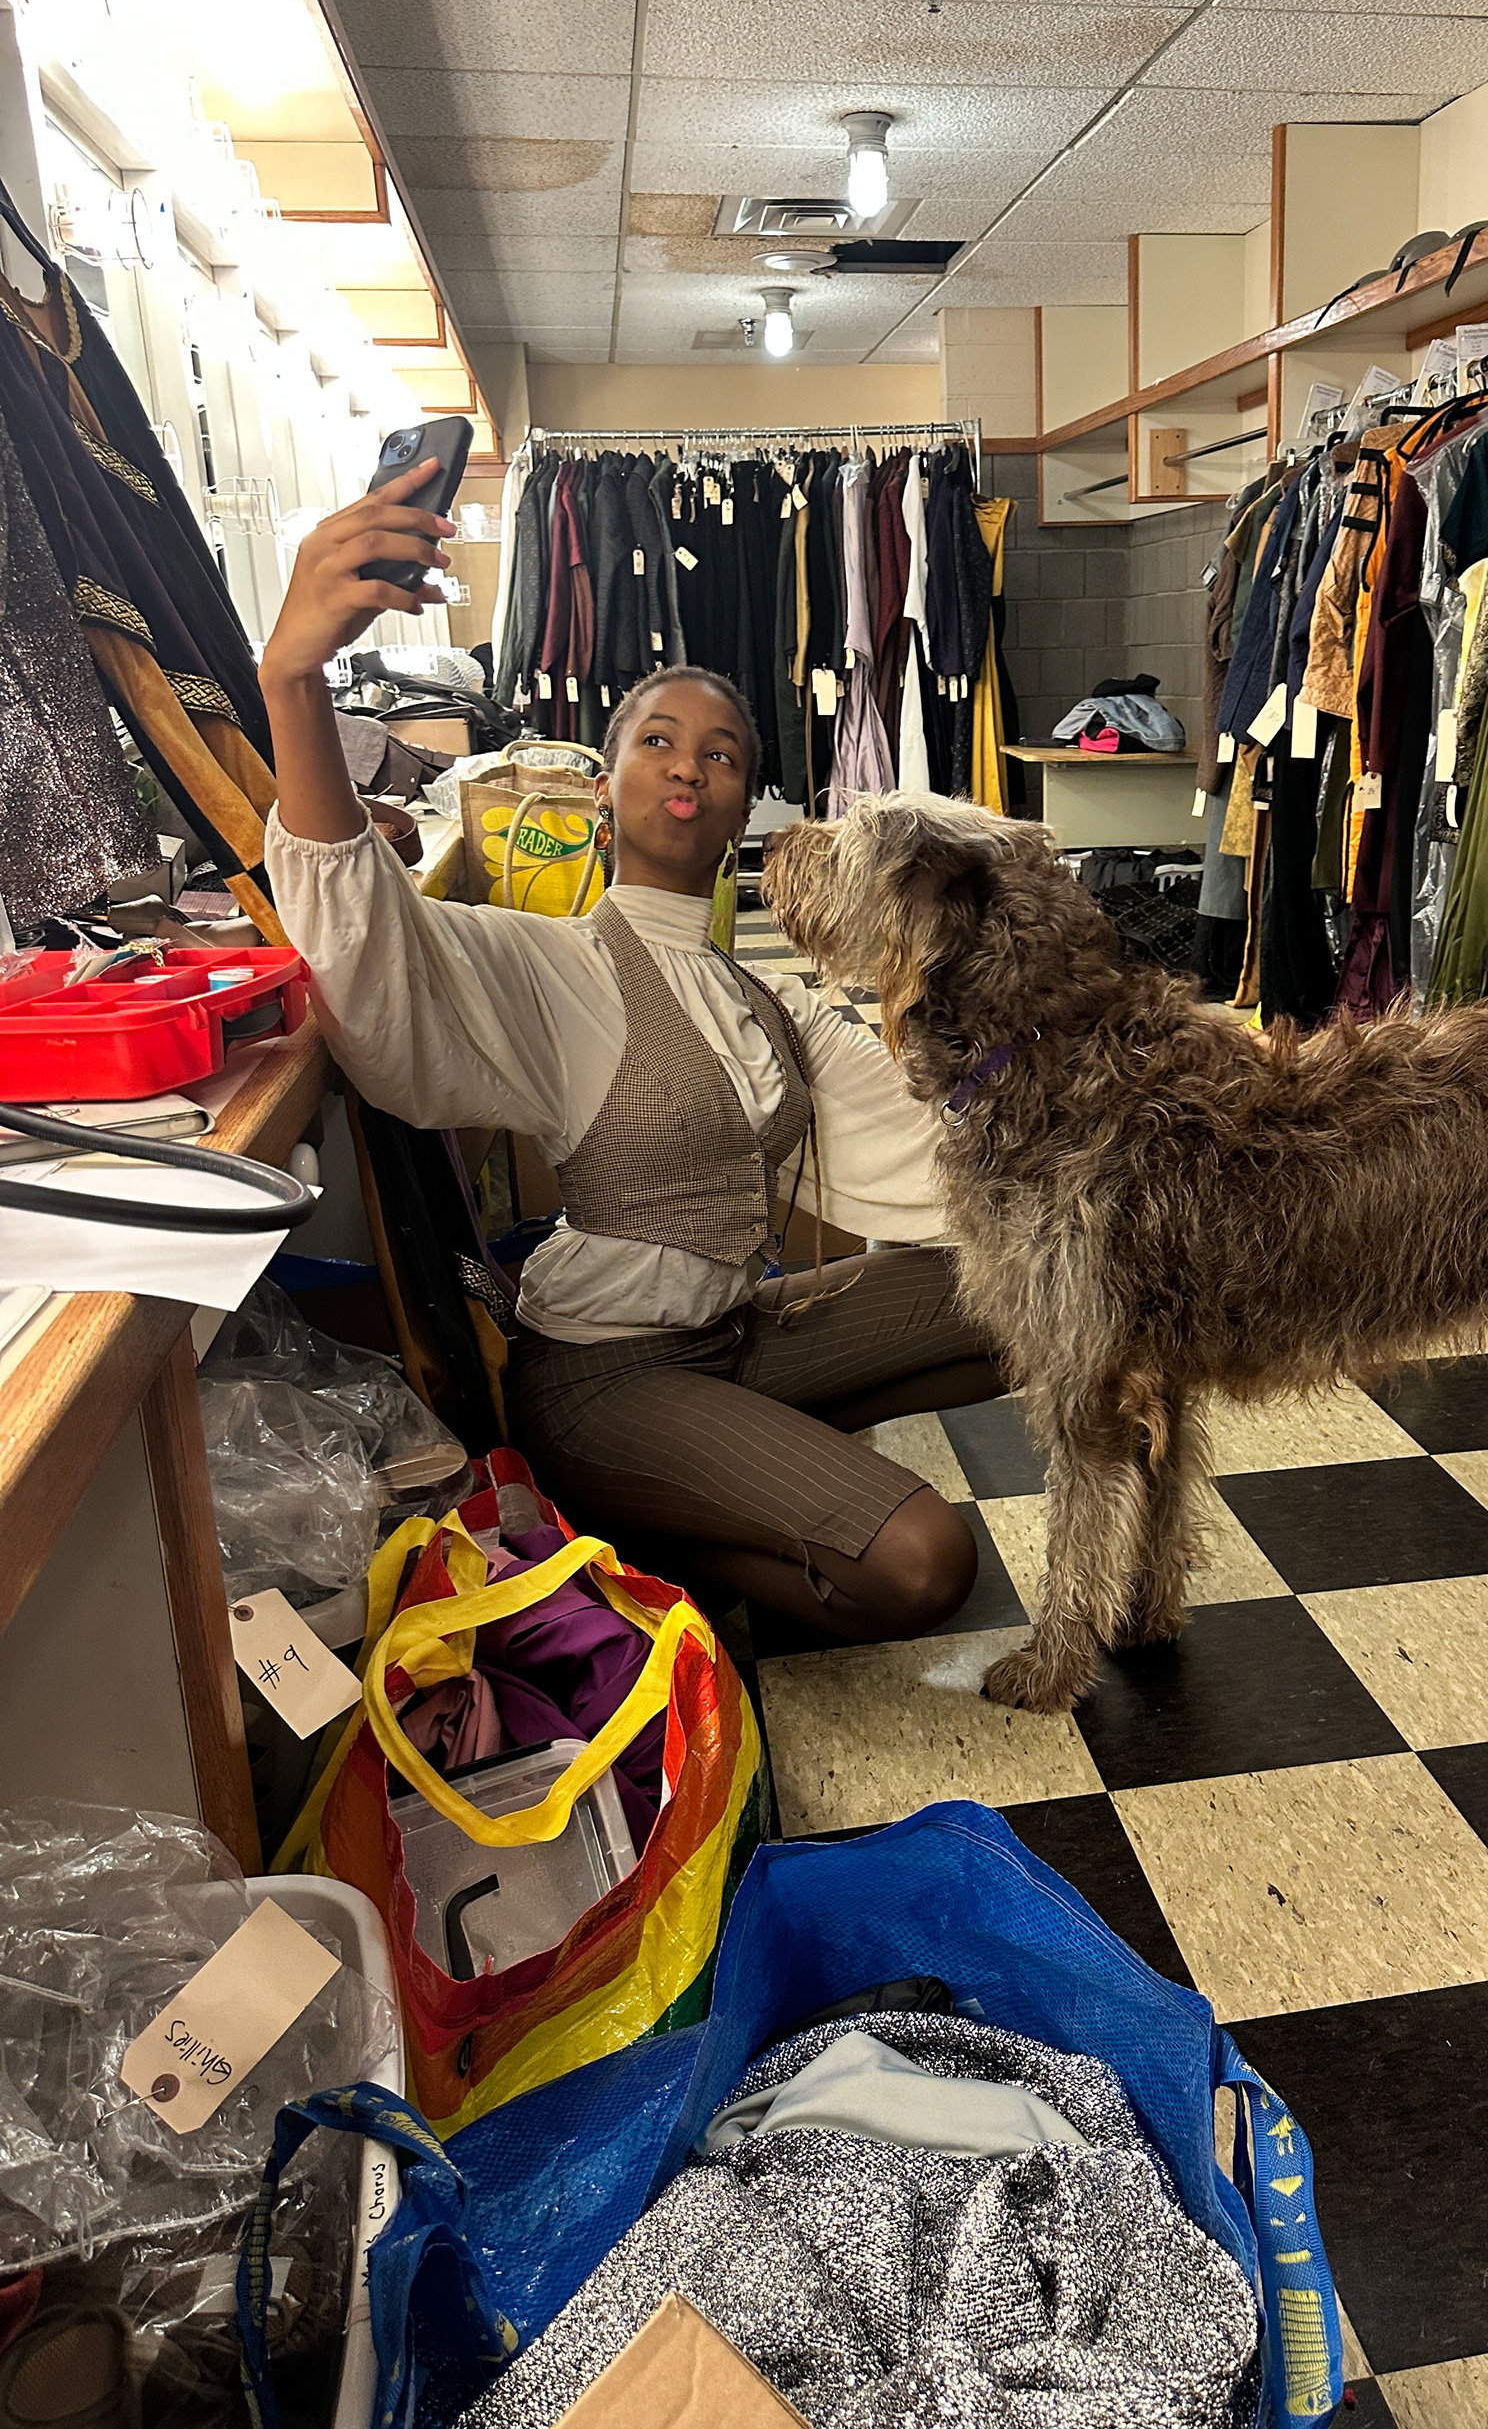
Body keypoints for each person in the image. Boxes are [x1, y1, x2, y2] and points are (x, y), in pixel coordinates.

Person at [259, 460, 1004, 1641]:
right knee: (925, 1563)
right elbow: (369, 939)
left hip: (735, 1341)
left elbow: (951, 1140)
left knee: (1028, 1286)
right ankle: (648, 1526)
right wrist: (293, 680)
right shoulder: (551, 965)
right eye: (659, 740)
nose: (690, 765)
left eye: (722, 753)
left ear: (746, 807)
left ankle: (745, 1467)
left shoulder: (767, 1004)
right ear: (605, 793)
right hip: (599, 1377)